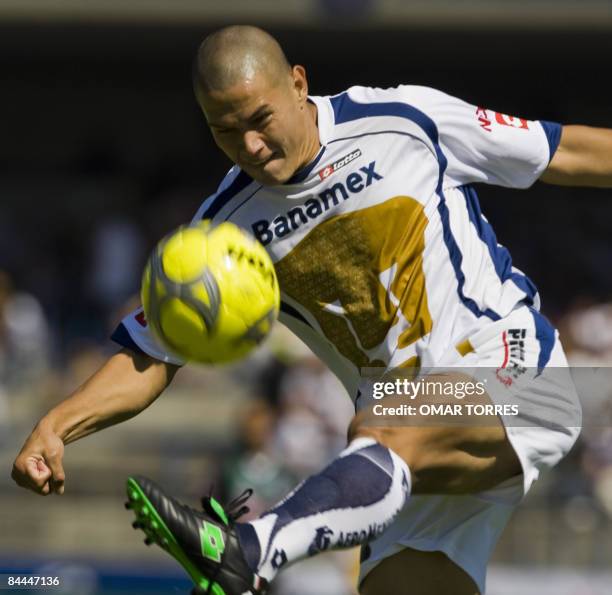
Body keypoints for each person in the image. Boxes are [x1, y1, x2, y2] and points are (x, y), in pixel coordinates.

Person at [12, 25, 612, 595]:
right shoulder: (224, 231)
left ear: (299, 83)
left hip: (522, 376)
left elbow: (561, 150)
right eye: (224, 131)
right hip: (401, 452)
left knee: (383, 420)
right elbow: (149, 353)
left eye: (259, 118)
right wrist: (57, 425)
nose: (249, 143)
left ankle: (246, 550)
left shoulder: (402, 121)